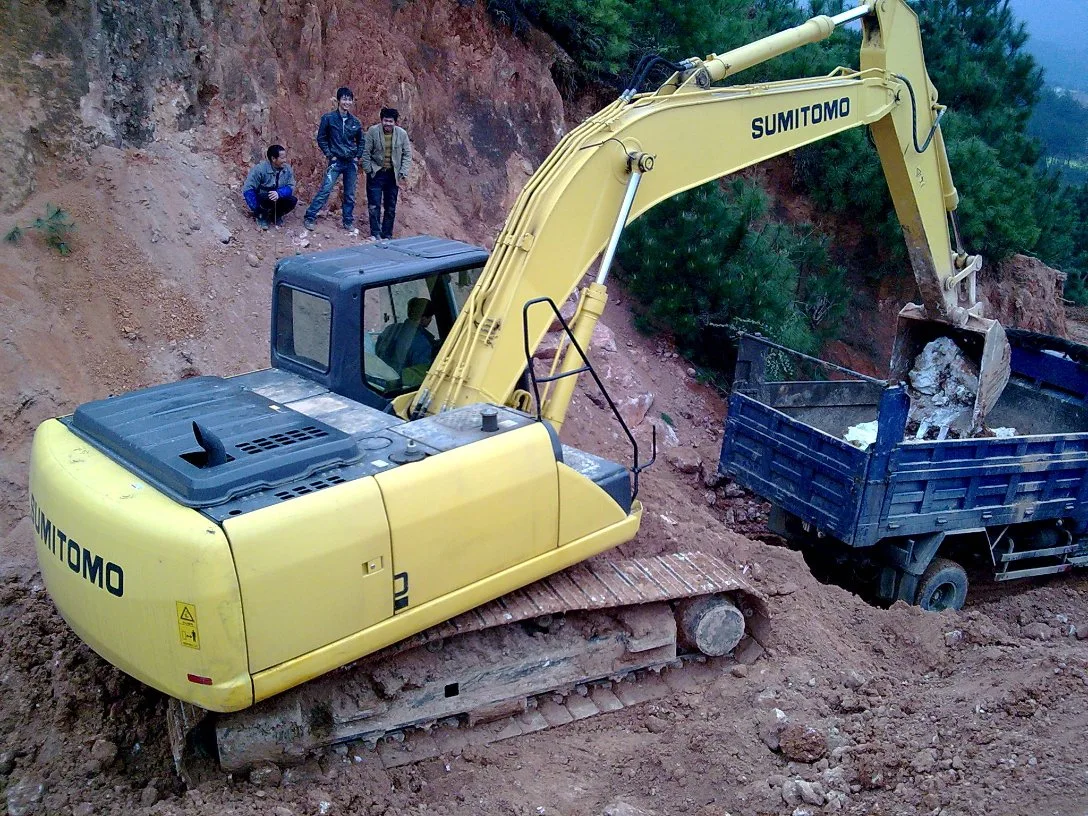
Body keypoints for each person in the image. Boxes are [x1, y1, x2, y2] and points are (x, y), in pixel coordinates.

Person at [303, 87, 364, 234]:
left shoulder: (355, 122)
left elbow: (361, 141)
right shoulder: (328, 118)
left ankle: (348, 221)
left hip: (350, 162)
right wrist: (330, 154)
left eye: (349, 99)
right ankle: (310, 216)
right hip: (336, 161)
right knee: (326, 189)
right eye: (344, 99)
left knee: (349, 193)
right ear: (338, 100)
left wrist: (357, 156)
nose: (347, 102)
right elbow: (321, 138)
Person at [361, 107, 413, 241]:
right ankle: (375, 233)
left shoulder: (402, 134)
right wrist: (369, 170)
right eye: (385, 121)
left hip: (392, 175)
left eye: (391, 121)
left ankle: (387, 234)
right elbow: (366, 152)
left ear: (395, 122)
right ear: (381, 120)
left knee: (390, 206)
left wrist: (403, 171)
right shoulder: (373, 132)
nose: (388, 124)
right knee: (374, 204)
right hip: (376, 173)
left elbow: (407, 154)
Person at [375, 297, 438, 386]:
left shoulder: (391, 329)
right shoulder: (423, 344)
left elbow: (377, 352)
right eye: (430, 317)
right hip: (395, 386)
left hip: (377, 377)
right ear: (423, 319)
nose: (431, 320)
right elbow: (421, 376)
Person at [242, 145, 297, 229]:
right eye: (282, 158)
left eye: (285, 157)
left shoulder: (287, 169)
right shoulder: (260, 169)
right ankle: (261, 216)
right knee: (263, 202)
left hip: (278, 197)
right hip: (263, 198)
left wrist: (279, 193)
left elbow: (291, 186)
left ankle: (275, 215)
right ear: (273, 159)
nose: (285, 160)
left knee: (292, 200)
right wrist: (256, 209)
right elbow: (248, 189)